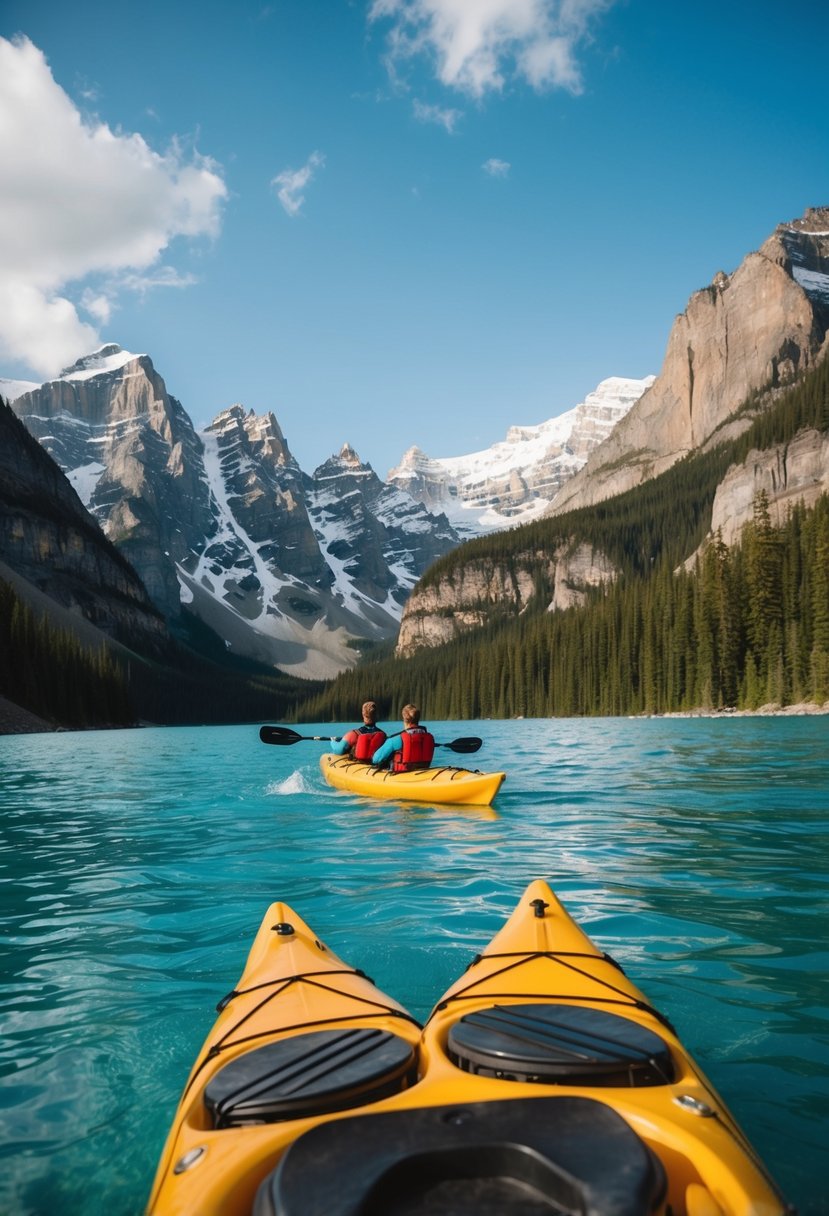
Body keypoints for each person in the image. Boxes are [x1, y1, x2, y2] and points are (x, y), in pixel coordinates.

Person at [371, 704, 435, 772]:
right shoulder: (430, 738)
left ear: (404, 719)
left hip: (402, 775)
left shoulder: (396, 740)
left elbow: (376, 759)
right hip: (424, 772)